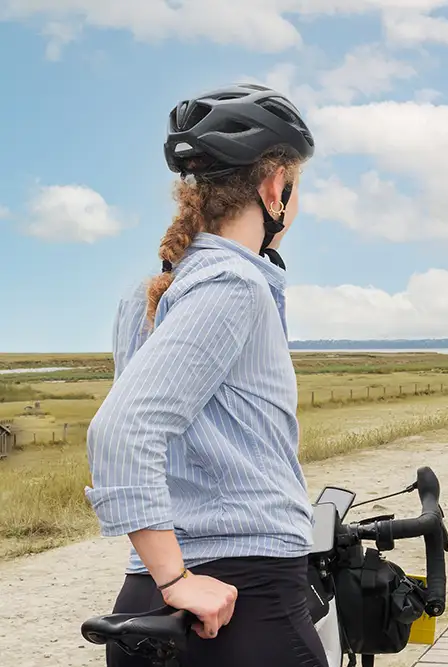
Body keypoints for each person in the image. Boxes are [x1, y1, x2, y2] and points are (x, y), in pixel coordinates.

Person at [84, 84, 327, 667]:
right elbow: (121, 430)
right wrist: (176, 580)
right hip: (240, 606)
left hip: (147, 602)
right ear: (275, 186)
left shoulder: (151, 287)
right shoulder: (232, 285)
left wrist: (163, 578)